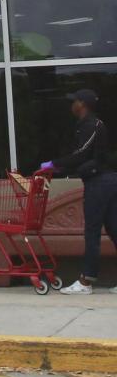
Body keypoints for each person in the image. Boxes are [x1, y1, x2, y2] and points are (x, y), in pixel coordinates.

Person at [40, 89, 117, 295]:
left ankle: (85, 281)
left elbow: (82, 154)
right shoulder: (86, 125)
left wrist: (54, 163)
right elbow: (83, 156)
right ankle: (86, 280)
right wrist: (59, 167)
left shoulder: (92, 125)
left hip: (100, 183)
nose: (71, 105)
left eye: (74, 101)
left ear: (82, 104)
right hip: (106, 182)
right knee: (114, 229)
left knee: (92, 232)